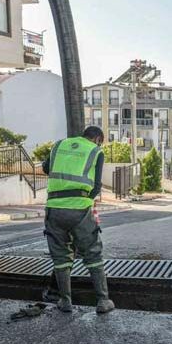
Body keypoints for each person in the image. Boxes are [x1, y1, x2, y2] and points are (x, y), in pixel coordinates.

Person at [41, 126, 114, 314]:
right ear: (98, 139)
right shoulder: (96, 151)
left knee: (60, 256)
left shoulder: (59, 145)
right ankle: (103, 300)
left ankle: (65, 301)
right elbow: (97, 185)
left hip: (54, 208)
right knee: (92, 254)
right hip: (80, 208)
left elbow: (46, 168)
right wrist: (87, 201)